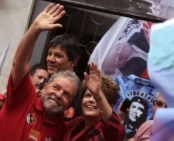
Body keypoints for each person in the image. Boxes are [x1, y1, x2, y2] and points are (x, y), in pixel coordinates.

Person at [0, 3, 81, 141]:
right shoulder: (24, 97)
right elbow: (19, 62)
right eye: (56, 87)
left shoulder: (61, 131)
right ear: (44, 87)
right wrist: (34, 30)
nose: (59, 94)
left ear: (70, 103)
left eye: (67, 95)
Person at [64, 63, 125, 141]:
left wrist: (98, 94)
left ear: (110, 106)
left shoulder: (109, 133)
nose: (91, 100)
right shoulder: (75, 123)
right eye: (87, 95)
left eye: (96, 98)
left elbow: (113, 126)